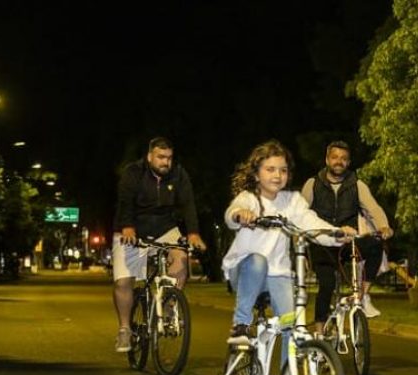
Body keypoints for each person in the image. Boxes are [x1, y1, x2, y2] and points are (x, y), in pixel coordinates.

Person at [222, 140, 355, 345]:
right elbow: (232, 214)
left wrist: (337, 233)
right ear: (257, 174)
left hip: (278, 275)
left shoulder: (292, 201)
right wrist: (240, 214)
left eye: (283, 170)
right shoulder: (249, 198)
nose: (277, 175)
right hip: (245, 272)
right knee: (258, 260)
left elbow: (310, 222)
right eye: (270, 169)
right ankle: (240, 324)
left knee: (290, 327)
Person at [112, 137, 207, 352]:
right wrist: (127, 227)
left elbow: (189, 204)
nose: (166, 162)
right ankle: (125, 329)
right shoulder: (133, 172)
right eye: (161, 157)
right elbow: (125, 201)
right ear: (149, 156)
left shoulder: (179, 174)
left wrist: (193, 233)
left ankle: (169, 306)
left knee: (182, 260)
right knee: (123, 281)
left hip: (165, 227)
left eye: (169, 158)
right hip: (132, 229)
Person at [301, 141, 393, 328]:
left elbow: (372, 208)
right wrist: (300, 248)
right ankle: (319, 332)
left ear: (349, 162)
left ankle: (362, 296)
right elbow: (299, 214)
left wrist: (384, 226)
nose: (339, 162)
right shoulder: (313, 184)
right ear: (327, 159)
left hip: (347, 243)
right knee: (326, 286)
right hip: (321, 245)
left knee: (375, 245)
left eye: (343, 159)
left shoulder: (357, 185)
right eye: (334, 157)